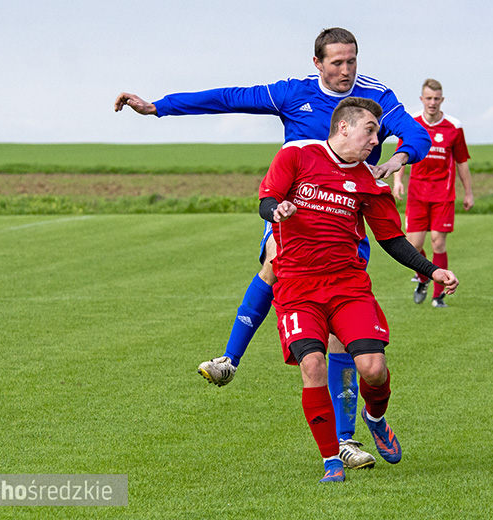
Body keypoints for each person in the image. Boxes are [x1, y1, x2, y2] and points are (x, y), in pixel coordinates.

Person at [114, 28, 431, 469]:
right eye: (337, 62)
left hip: (345, 225)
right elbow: (229, 97)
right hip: (291, 212)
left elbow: (417, 135)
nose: (346, 70)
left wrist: (396, 160)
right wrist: (159, 108)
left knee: (344, 342)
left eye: (352, 61)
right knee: (275, 260)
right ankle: (230, 358)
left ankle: (349, 437)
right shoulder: (292, 94)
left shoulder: (374, 99)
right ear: (317, 63)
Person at [259, 97, 458, 482]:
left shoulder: (369, 180)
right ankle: (332, 461)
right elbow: (267, 199)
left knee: (374, 369)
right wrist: (276, 211)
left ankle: (376, 418)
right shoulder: (298, 157)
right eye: (370, 130)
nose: (375, 139)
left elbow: (392, 240)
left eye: (378, 132)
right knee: (313, 364)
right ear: (344, 127)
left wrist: (432, 271)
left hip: (348, 287)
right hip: (298, 287)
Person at [392, 78, 474, 308]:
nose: (432, 102)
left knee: (438, 243)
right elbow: (402, 155)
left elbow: (462, 163)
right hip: (418, 194)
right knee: (413, 245)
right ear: (422, 99)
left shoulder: (454, 127)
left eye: (437, 99)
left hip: (443, 194)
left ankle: (439, 297)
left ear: (442, 100)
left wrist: (469, 193)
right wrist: (398, 181)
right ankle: (424, 277)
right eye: (428, 98)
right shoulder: (413, 124)